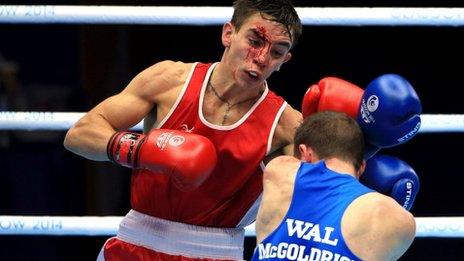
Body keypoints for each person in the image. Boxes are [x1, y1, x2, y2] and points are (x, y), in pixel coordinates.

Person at [64, 0, 304, 260]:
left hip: (216, 251)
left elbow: (331, 186)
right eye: (255, 41)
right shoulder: (170, 82)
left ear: (284, 61)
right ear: (228, 34)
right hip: (134, 243)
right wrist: (142, 150)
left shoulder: (286, 124)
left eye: (277, 52)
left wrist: (354, 121)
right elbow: (79, 135)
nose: (261, 59)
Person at [251, 111, 417, 261]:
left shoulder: (279, 171)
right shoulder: (397, 218)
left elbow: (277, 129)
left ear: (304, 152)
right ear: (362, 167)